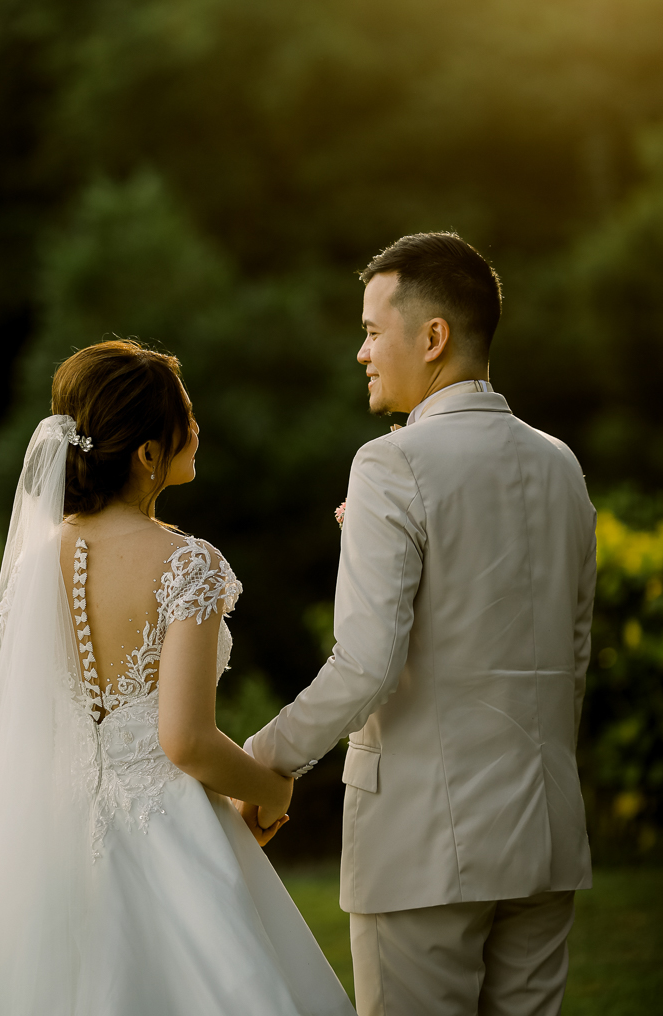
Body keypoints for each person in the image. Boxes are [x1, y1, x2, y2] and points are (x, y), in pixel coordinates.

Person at [0, 340, 354, 1016]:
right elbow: (184, 739)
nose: (197, 429)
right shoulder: (187, 564)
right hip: (169, 833)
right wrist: (272, 788)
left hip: (41, 835)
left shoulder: (35, 562)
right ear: (148, 453)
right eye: (186, 418)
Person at [242, 233, 596, 1016]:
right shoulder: (561, 464)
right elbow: (573, 656)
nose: (362, 352)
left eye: (373, 331)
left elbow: (366, 663)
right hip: (546, 835)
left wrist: (261, 764)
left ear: (432, 337)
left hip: (421, 839)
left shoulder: (389, 464)